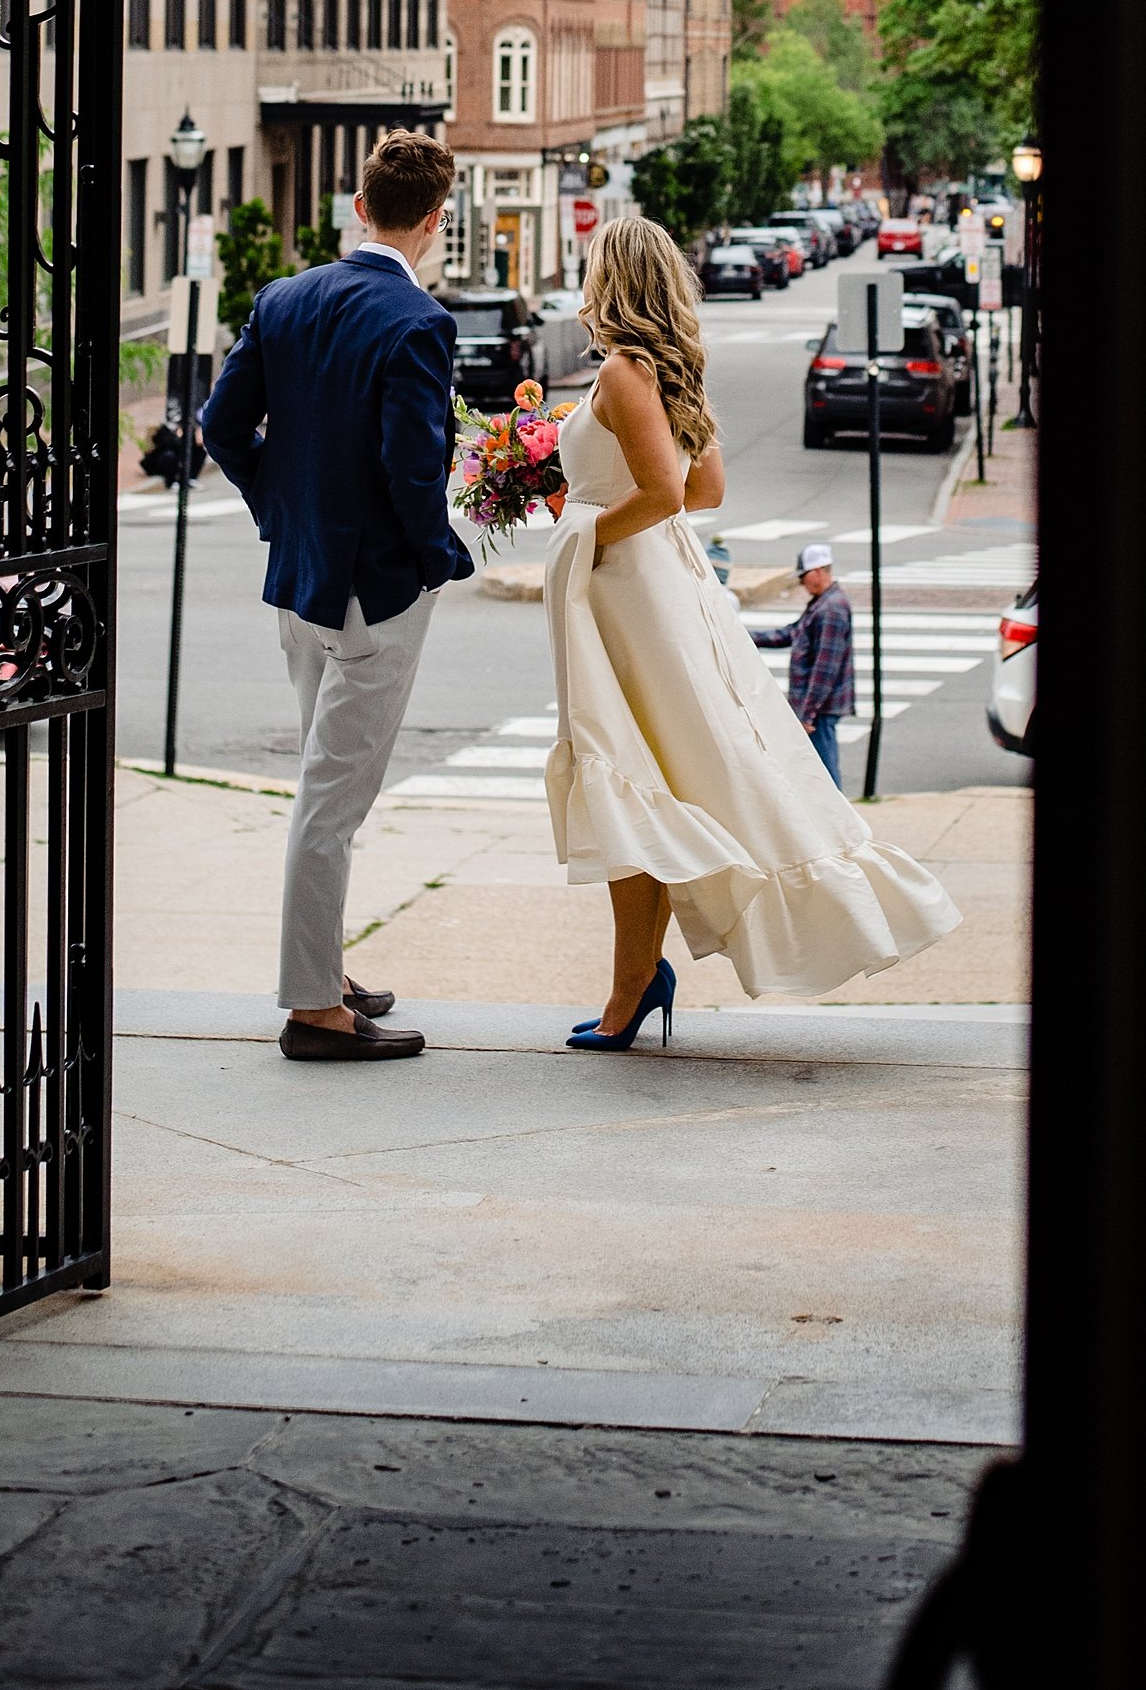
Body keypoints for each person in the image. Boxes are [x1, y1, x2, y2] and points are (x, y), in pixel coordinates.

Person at [542, 213, 959, 1047]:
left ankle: (633, 986)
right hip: (644, 589)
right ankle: (634, 982)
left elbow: (669, 493)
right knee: (644, 786)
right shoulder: (654, 371)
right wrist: (584, 505)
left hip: (628, 593)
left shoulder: (627, 373)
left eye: (593, 270)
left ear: (612, 278)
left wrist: (582, 528)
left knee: (634, 781)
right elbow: (703, 490)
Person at [198, 129, 473, 1061]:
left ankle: (325, 966)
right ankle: (314, 1005)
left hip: (299, 581)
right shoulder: (418, 323)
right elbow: (410, 470)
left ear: (360, 206)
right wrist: (440, 556)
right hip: (373, 593)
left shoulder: (284, 298)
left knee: (324, 784)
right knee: (334, 796)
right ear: (435, 220)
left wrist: (280, 505)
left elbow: (221, 425)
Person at [749, 542, 856, 785]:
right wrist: (747, 636)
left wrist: (807, 714)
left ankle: (837, 822)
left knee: (826, 773)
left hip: (820, 708)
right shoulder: (823, 603)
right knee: (818, 770)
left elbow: (824, 669)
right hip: (817, 707)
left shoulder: (831, 609)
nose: (801, 583)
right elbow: (791, 633)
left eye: (803, 576)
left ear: (817, 572)